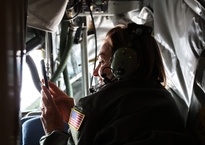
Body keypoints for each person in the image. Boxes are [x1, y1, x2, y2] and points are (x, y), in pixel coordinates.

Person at [39, 22, 196, 145]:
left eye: (101, 61)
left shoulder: (92, 107)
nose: (95, 72)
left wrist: (53, 132)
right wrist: (75, 115)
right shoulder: (167, 101)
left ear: (122, 64)